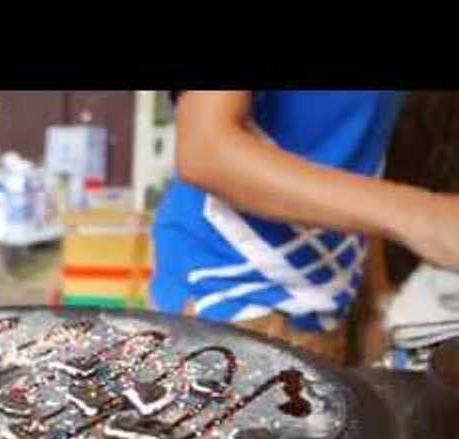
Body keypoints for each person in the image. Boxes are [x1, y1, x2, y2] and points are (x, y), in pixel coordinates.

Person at [152, 90, 459, 363]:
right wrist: (421, 215)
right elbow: (205, 150)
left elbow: (353, 156)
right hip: (229, 297)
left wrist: (374, 301)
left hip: (332, 300)